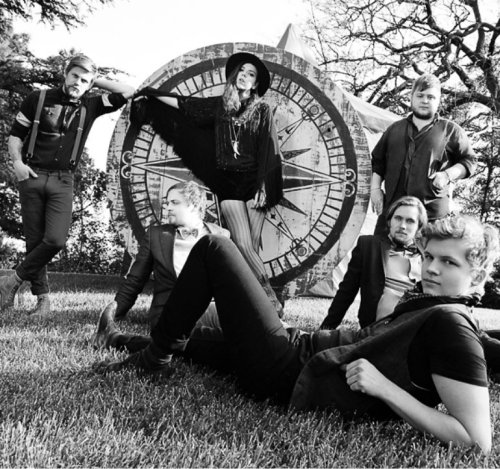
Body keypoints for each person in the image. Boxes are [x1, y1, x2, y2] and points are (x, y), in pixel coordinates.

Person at [95, 214, 498, 453]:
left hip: (291, 370)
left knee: (214, 249)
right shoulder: (448, 315)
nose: (432, 269)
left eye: (449, 262)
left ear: (477, 275)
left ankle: (153, 360)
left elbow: (476, 441)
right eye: (429, 257)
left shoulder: (453, 325)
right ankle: (118, 340)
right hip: (298, 351)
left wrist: (385, 389)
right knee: (199, 344)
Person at [129, 52, 284, 316]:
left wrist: (264, 187)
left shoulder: (262, 109)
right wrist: (152, 95)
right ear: (234, 76)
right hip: (229, 184)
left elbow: (269, 149)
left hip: (256, 184)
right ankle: (272, 303)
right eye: (241, 72)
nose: (245, 77)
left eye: (251, 74)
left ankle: (253, 304)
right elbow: (186, 106)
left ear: (256, 83)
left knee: (251, 246)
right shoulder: (220, 107)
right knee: (242, 245)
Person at [0, 54, 134, 316]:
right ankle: (43, 301)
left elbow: (128, 91)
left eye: (84, 80)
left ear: (90, 83)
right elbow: (15, 135)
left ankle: (10, 281)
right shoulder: (37, 98)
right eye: (75, 76)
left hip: (63, 179)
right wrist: (17, 163)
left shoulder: (92, 105)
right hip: (32, 175)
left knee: (55, 239)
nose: (78, 83)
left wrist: (96, 81)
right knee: (34, 241)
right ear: (65, 73)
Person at [94, 181, 229, 339]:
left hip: (214, 307)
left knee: (241, 325)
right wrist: (112, 314)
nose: (168, 207)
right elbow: (135, 280)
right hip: (172, 310)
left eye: (174, 202)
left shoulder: (221, 235)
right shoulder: (156, 236)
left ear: (193, 205)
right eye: (167, 202)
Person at [371, 74, 476, 234]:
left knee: (428, 251)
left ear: (438, 100)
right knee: (379, 249)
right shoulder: (394, 129)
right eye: (420, 95)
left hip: (432, 219)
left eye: (430, 97)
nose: (425, 100)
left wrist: (447, 175)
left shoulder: (451, 131)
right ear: (411, 97)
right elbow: (378, 162)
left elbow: (469, 161)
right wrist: (375, 189)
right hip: (393, 214)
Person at [320, 196, 427, 330]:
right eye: (398, 218)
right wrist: (325, 329)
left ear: (419, 227)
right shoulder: (369, 246)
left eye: (410, 221)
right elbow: (346, 291)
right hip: (376, 331)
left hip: (414, 331)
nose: (402, 226)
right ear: (389, 221)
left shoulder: (428, 256)